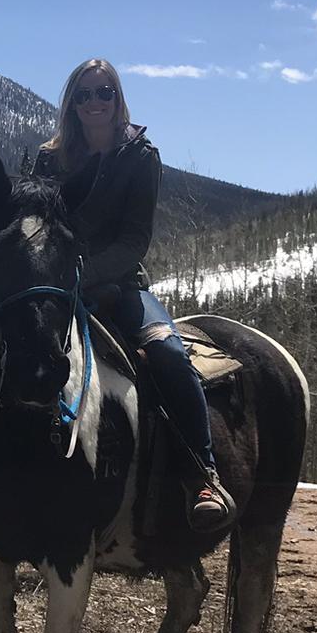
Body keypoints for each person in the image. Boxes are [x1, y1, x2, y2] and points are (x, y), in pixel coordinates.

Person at [31, 58, 235, 532]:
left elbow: (133, 240)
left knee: (166, 353)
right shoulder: (50, 158)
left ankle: (203, 473)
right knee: (6, 349)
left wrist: (86, 273)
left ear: (117, 98)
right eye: (84, 94)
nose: (95, 102)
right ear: (71, 102)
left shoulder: (142, 158)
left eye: (104, 92)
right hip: (57, 284)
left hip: (121, 286)